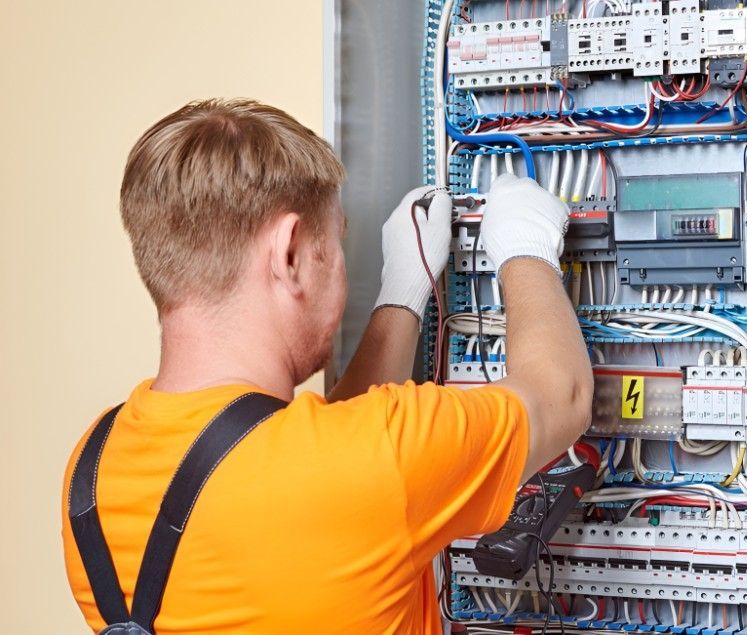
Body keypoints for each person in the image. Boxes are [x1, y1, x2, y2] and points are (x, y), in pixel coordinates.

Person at [61, 99, 592, 634]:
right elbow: (561, 393)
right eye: (335, 241)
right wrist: (526, 248)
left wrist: (402, 296)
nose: (340, 262)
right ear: (289, 253)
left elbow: (290, 458)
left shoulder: (91, 471)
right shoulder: (372, 457)